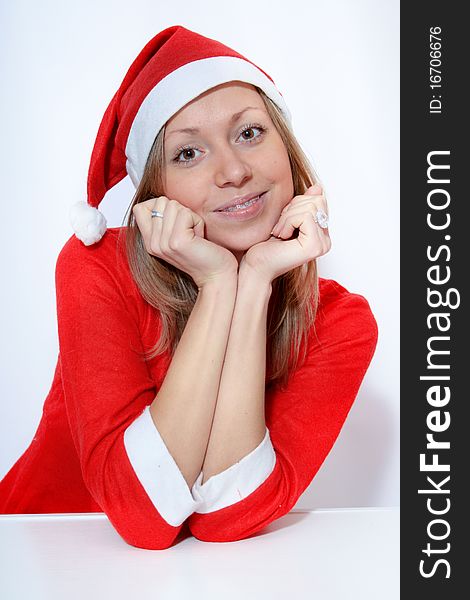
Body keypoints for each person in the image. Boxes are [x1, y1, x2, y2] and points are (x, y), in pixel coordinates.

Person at [0, 25, 378, 550]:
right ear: (156, 192)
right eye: (188, 154)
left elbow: (227, 518)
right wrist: (217, 282)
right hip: (35, 552)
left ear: (286, 148)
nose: (233, 171)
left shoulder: (341, 323)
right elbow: (142, 520)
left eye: (249, 133)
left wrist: (251, 284)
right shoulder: (96, 268)